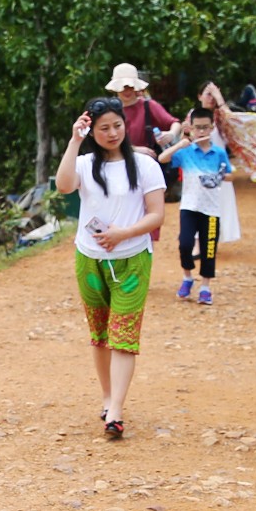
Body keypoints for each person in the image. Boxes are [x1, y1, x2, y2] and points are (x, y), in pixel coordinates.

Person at [56, 96, 167, 441]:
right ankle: (107, 397)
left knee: (124, 337)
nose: (112, 132)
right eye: (103, 128)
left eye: (117, 125)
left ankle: (116, 409)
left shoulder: (146, 166)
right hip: (90, 258)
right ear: (92, 131)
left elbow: (156, 214)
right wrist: (74, 140)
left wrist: (123, 234)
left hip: (132, 258)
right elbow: (63, 185)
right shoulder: (86, 163)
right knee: (100, 334)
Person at [161, 107, 240, 305]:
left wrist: (218, 176)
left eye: (206, 127)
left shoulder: (219, 153)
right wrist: (181, 143)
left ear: (212, 128)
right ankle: (187, 276)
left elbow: (229, 174)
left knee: (209, 249)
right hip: (189, 206)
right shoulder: (186, 152)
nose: (202, 132)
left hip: (212, 209)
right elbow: (163, 159)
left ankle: (205, 286)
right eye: (198, 128)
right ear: (192, 128)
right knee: (185, 244)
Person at [104, 63, 178, 155]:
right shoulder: (108, 109)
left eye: (131, 87)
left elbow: (175, 123)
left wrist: (171, 134)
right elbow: (102, 140)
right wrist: (133, 149)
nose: (127, 91)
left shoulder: (149, 105)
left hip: (146, 162)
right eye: (123, 87)